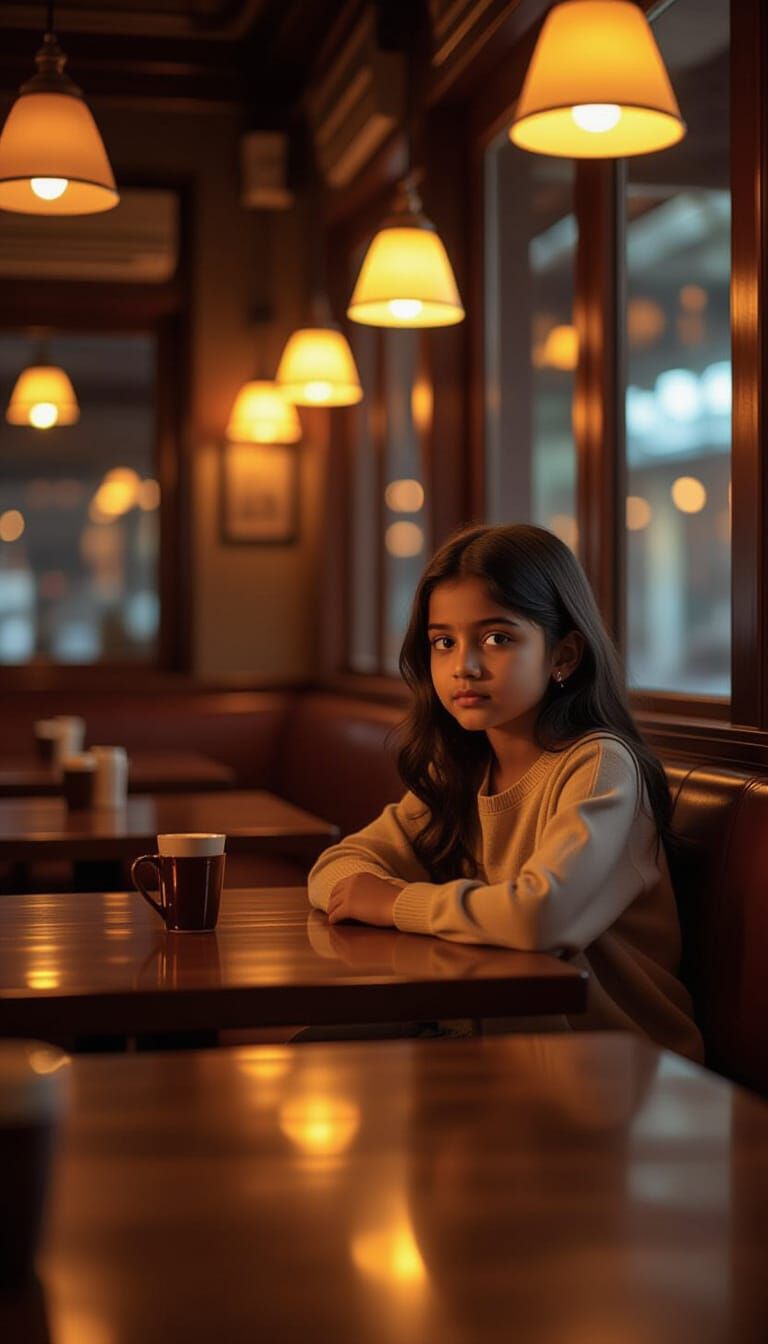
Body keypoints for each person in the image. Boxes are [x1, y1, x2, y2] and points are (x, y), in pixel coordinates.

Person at [308, 523, 703, 1061]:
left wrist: (396, 902)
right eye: (443, 642)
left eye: (497, 638)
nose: (464, 667)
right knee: (302, 1067)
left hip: (603, 1067)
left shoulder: (599, 765)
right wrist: (370, 893)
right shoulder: (464, 770)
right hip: (483, 1035)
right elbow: (336, 867)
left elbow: (540, 919)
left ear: (563, 655)